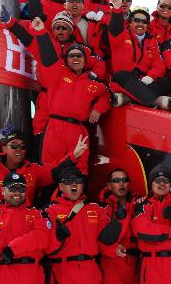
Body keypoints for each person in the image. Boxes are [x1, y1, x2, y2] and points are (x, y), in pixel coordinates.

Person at [1, 7, 106, 156]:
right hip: (46, 96)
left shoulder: (81, 50)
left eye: (64, 27)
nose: (60, 30)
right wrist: (9, 21)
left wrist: (93, 75)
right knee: (40, 135)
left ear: (71, 30)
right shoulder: (46, 43)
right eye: (57, 27)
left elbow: (99, 63)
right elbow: (26, 37)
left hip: (69, 97)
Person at [31, 16, 112, 173]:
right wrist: (42, 32)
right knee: (50, 170)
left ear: (85, 60)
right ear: (66, 60)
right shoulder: (58, 75)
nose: (75, 58)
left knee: (79, 172)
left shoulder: (92, 84)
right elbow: (48, 58)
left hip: (78, 131)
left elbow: (107, 94)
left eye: (79, 55)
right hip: (55, 128)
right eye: (71, 55)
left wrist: (98, 109)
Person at [0, 132, 87, 215]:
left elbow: (54, 170)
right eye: (14, 146)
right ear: (4, 149)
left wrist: (74, 155)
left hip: (26, 218)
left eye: (22, 146)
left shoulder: (33, 169)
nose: (19, 149)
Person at [106, 0, 171, 110]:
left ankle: (129, 98)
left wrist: (151, 77)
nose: (140, 24)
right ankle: (155, 101)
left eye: (144, 21)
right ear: (130, 21)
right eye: (136, 20)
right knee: (120, 76)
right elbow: (114, 27)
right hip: (125, 80)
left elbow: (159, 63)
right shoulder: (121, 35)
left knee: (167, 83)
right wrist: (117, 8)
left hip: (143, 80)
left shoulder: (152, 42)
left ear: (147, 25)